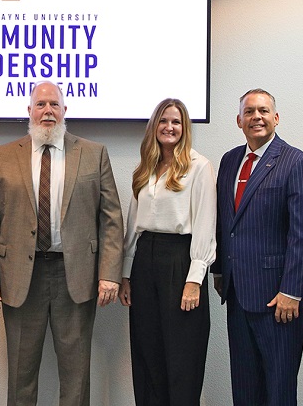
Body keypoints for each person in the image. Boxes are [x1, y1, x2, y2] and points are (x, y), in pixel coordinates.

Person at [0, 80, 124, 406]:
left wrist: (110, 273)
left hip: (76, 277)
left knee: (76, 376)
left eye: (54, 104)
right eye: (40, 105)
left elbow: (111, 219)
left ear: (65, 111)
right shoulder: (1, 157)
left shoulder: (93, 154)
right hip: (19, 278)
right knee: (20, 376)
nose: (47, 111)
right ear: (29, 111)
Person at [211, 88, 303, 406]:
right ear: (238, 120)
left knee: (279, 386)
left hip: (279, 299)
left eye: (263, 111)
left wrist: (293, 291)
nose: (256, 117)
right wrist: (220, 271)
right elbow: (225, 222)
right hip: (237, 295)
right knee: (245, 388)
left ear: (276, 118)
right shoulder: (230, 161)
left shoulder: (296, 163)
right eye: (249, 112)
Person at [118, 98, 216, 406]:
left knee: (181, 356)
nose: (169, 127)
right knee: (148, 351)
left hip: (180, 260)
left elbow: (205, 223)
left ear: (184, 127)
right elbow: (134, 224)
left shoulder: (199, 166)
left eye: (175, 122)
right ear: (154, 127)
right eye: (163, 121)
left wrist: (194, 279)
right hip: (145, 260)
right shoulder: (146, 168)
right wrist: (125, 274)